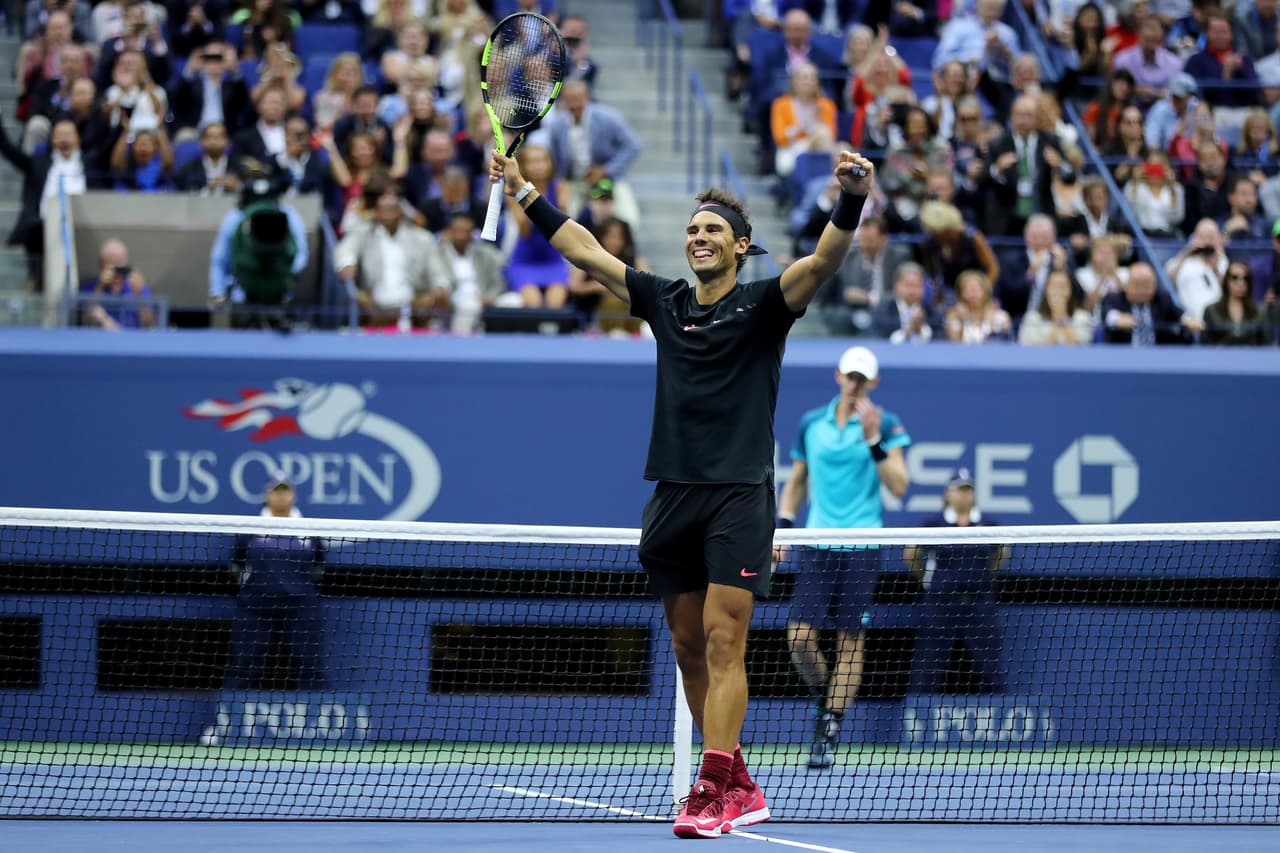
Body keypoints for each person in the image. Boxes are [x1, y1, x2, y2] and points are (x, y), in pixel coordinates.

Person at [488, 141, 875, 838]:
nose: (699, 236)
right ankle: (737, 779)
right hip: (672, 496)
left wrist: (850, 198)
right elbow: (584, 252)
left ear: (741, 246)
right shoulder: (665, 301)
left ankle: (711, 786)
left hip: (739, 496)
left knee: (726, 641)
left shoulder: (766, 304)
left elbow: (823, 261)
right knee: (689, 647)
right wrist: (521, 190)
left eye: (713, 229)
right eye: (693, 229)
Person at [775, 345, 911, 770]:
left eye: (862, 379)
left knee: (850, 642)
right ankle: (826, 695)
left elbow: (899, 485)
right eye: (850, 376)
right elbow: (798, 481)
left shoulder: (884, 423)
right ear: (838, 375)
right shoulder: (811, 423)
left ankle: (829, 726)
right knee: (799, 639)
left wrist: (872, 440)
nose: (855, 384)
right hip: (818, 544)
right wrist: (783, 528)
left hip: (863, 546)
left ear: (873, 383)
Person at [199, 476, 327, 747]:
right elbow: (236, 565)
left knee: (309, 663)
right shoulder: (251, 528)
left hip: (301, 606)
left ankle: (319, 728)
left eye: (285, 491)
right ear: (267, 495)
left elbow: (319, 567)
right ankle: (224, 726)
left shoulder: (310, 528)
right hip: (255, 605)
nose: (281, 496)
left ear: (293, 495)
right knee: (243, 663)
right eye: (276, 491)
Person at [904, 469, 1008, 696]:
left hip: (979, 603)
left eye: (968, 490)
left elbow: (1002, 552)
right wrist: (928, 580)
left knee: (990, 663)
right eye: (959, 490)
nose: (964, 495)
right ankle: (919, 711)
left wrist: (984, 577)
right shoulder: (934, 524)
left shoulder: (988, 524)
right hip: (940, 603)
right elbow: (910, 554)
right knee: (928, 663)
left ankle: (997, 708)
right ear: (948, 493)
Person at [334, 185, 453, 328]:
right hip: (374, 302)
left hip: (413, 303)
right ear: (376, 213)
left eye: (392, 210)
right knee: (357, 297)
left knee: (435, 298)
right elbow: (346, 250)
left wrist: (440, 285)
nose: (388, 215)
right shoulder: (362, 233)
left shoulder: (422, 238)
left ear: (401, 213)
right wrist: (347, 264)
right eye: (383, 210)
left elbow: (437, 268)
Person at [1101, 261, 1202, 344]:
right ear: (1127, 285)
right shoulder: (1114, 298)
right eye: (1137, 285)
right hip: (1122, 354)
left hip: (1157, 355)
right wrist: (1117, 319)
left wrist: (1189, 320)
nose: (1142, 290)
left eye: (1147, 285)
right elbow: (1108, 314)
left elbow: (1181, 315)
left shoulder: (1162, 300)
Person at [79, 237, 157, 329]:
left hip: (132, 335)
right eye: (111, 263)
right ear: (101, 264)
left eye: (119, 262)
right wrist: (100, 286)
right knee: (96, 312)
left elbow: (150, 323)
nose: (116, 269)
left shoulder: (137, 287)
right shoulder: (91, 287)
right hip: (103, 335)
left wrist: (138, 295)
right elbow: (85, 319)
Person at [1203, 261, 1274, 346]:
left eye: (1246, 278)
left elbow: (1267, 344)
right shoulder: (1211, 310)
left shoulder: (1260, 312)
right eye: (1235, 278)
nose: (1241, 283)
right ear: (1226, 281)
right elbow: (1204, 343)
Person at [1017, 269, 1095, 344]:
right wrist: (1057, 322)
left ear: (1070, 291)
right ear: (1046, 290)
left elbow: (1080, 350)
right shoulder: (1032, 319)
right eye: (1053, 287)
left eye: (1062, 287)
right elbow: (1031, 350)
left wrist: (1064, 319)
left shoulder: (1082, 318)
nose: (1057, 292)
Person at [871, 261, 941, 343]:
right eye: (908, 285)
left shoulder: (931, 311)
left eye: (917, 285)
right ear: (895, 286)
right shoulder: (884, 310)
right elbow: (875, 337)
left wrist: (922, 330)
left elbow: (941, 339)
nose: (912, 291)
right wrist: (905, 333)